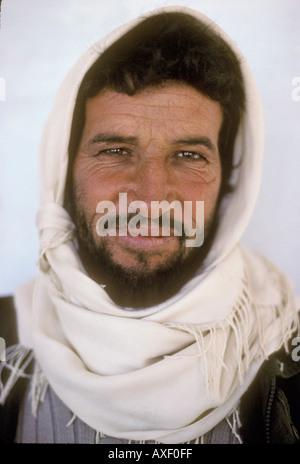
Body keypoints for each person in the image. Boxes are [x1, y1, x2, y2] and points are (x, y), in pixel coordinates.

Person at [0, 6, 299, 445]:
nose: (152, 197)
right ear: (63, 172)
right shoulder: (8, 341)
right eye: (116, 150)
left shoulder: (282, 344)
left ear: (229, 185)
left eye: (189, 156)